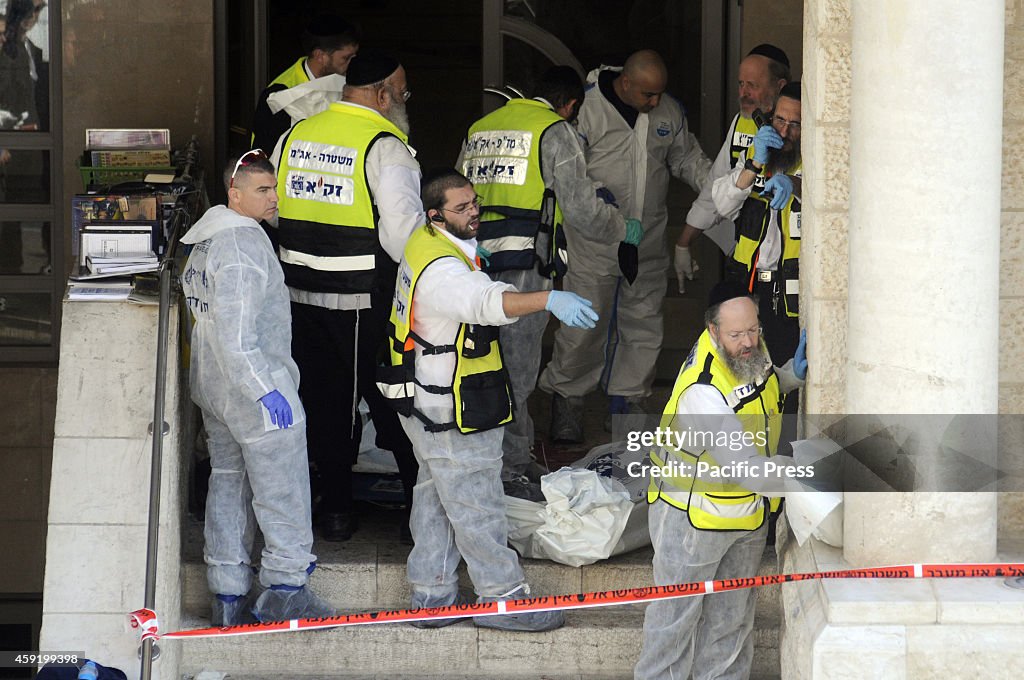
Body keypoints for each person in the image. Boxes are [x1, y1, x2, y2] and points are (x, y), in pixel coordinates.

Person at [381, 169, 598, 632]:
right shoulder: (442, 269)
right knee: (478, 505)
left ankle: (431, 593)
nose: (474, 212)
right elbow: (483, 302)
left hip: (426, 401)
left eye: (474, 202)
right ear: (436, 215)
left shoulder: (425, 243)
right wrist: (548, 299)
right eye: (462, 208)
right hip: (452, 405)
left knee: (437, 495)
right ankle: (502, 598)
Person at [456, 65, 636, 492]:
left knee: (477, 368)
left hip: (470, 265)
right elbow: (582, 211)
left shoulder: (480, 127)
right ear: (571, 105)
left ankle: (496, 463)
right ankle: (509, 471)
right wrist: (621, 227)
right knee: (516, 376)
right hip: (523, 269)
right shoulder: (556, 132)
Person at [180, 151, 334, 625]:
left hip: (215, 389)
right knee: (282, 486)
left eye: (274, 188)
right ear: (235, 192)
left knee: (228, 482)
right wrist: (264, 390)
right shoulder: (243, 245)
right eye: (263, 190)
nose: (274, 197)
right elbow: (237, 333)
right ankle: (286, 588)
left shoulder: (205, 240)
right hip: (256, 389)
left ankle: (228, 592)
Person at [274, 50, 420, 542]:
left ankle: (335, 512)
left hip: (299, 295)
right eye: (400, 92)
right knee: (391, 399)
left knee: (323, 402)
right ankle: (416, 512)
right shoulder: (384, 145)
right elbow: (401, 238)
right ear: (381, 94)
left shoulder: (296, 134)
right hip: (363, 300)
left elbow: (274, 211)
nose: (402, 101)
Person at [634, 281, 807, 680]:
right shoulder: (703, 391)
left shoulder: (747, 350)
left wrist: (789, 377)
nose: (748, 342)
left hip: (745, 517)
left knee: (731, 625)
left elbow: (757, 390)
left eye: (753, 330)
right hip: (692, 520)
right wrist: (808, 475)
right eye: (736, 335)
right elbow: (746, 467)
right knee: (673, 625)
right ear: (713, 331)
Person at [538, 49, 711, 442]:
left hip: (647, 238)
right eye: (647, 95)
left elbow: (687, 160)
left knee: (644, 322)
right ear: (626, 82)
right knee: (583, 323)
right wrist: (602, 209)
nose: (654, 103)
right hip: (594, 239)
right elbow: (570, 172)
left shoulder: (668, 112)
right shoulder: (587, 107)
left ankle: (628, 403)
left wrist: (724, 186)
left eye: (659, 95)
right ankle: (568, 400)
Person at [673, 44, 790, 293]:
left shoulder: (797, 128)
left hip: (783, 266)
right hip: (745, 257)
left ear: (779, 86)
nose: (744, 93)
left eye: (753, 85)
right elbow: (715, 188)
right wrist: (684, 242)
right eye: (740, 84)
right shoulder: (741, 123)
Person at [712, 81, 803, 368]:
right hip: (747, 287)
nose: (785, 132)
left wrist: (793, 183)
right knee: (740, 374)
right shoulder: (758, 152)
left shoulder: (811, 162)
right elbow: (723, 205)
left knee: (785, 380)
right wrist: (753, 163)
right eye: (779, 120)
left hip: (788, 296)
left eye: (795, 124)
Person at [251, 14, 359, 153]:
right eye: (346, 58)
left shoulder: (350, 81)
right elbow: (263, 158)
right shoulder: (280, 95)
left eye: (355, 56)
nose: (353, 63)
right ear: (320, 56)